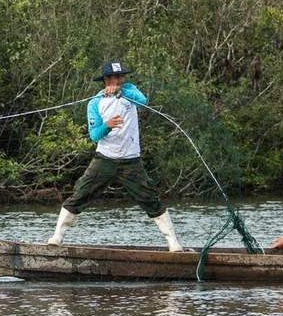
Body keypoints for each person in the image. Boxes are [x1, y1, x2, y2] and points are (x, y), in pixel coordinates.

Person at [46, 60, 184, 251]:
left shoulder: (130, 91)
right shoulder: (95, 103)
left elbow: (143, 101)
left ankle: (173, 243)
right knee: (80, 194)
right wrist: (107, 126)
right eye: (115, 77)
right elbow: (94, 136)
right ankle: (57, 237)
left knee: (150, 198)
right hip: (105, 159)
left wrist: (121, 92)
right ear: (106, 79)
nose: (119, 80)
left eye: (121, 76)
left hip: (131, 161)